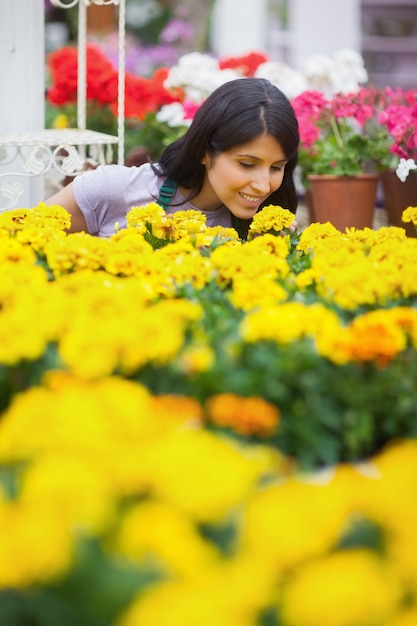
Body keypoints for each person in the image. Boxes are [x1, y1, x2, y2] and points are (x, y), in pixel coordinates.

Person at [44, 77, 300, 239]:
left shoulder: (268, 229)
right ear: (203, 151)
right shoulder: (111, 188)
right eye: (247, 164)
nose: (264, 185)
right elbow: (15, 239)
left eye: (276, 168)